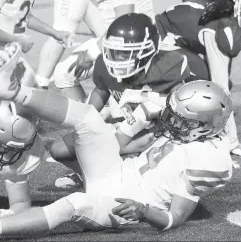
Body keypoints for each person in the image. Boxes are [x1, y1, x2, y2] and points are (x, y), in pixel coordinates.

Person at [0, 43, 233, 236]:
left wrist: (143, 211)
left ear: (204, 127)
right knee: (89, 117)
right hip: (116, 171)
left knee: (73, 203)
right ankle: (13, 91)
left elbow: (175, 218)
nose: (171, 121)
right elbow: (128, 141)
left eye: (181, 121)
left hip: (122, 203)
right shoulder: (186, 127)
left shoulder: (210, 159)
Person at [50, 13, 197, 188]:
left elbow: (180, 108)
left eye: (125, 53)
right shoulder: (105, 65)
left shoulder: (169, 64)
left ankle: (126, 170)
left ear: (148, 50)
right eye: (114, 52)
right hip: (125, 126)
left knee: (111, 149)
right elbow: (100, 92)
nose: (117, 58)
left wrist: (146, 99)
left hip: (157, 131)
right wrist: (84, 120)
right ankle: (90, 176)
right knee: (58, 149)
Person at [151, 0, 241, 158]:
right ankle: (165, 118)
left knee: (212, 83)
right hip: (157, 47)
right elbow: (221, 91)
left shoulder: (226, 18)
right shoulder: (223, 33)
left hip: (162, 39)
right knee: (206, 87)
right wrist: (232, 141)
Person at [36, 0, 155, 102]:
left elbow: (125, 23)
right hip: (120, 40)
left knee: (122, 107)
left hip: (134, 44)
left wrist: (91, 54)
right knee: (64, 73)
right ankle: (88, 119)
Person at [0, 64, 45, 218]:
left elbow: (20, 202)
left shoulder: (26, 149)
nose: (6, 152)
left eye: (14, 149)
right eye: (0, 145)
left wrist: (16, 212)